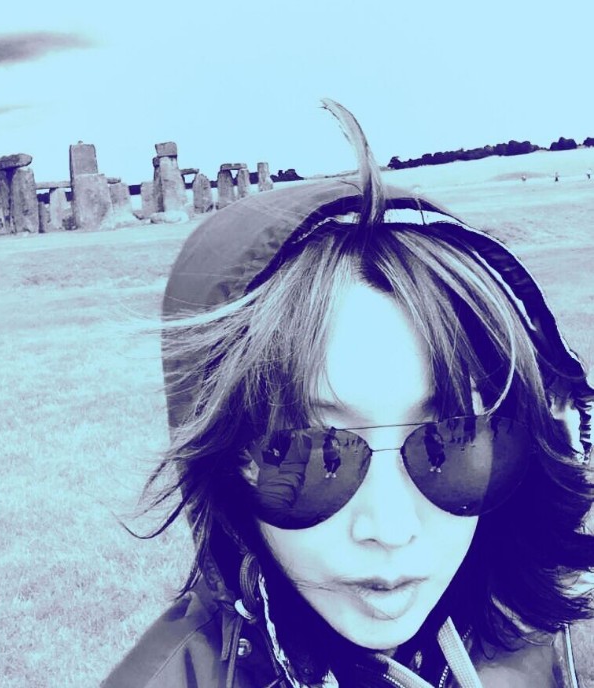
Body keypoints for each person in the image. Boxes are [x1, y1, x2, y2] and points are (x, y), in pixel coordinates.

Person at [103, 101, 594, 687]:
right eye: (312, 453)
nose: (389, 528)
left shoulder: (542, 632)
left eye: (453, 442)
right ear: (223, 463)